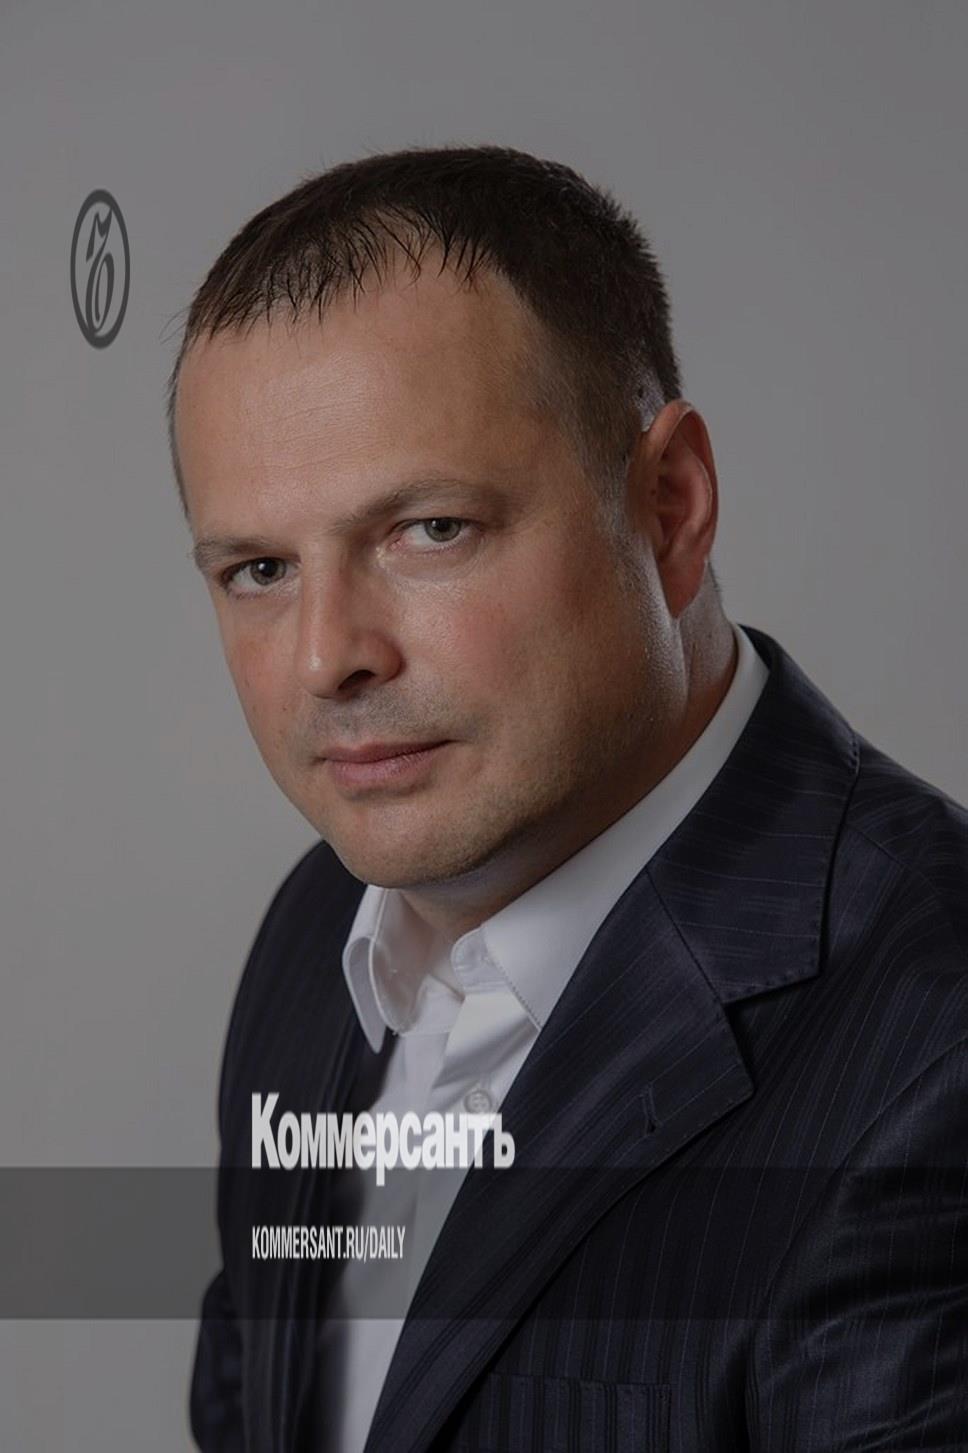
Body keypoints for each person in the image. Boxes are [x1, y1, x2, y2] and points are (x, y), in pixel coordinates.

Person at [168, 145, 968, 1452]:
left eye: (430, 529)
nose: (326, 658)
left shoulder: (933, 1050)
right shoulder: (317, 934)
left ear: (671, 506)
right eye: (258, 568)